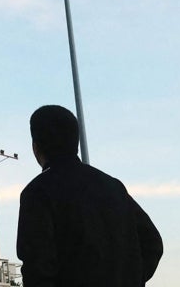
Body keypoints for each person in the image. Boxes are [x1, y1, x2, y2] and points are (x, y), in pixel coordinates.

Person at [16, 104, 163, 287]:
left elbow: (37, 267)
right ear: (75, 142)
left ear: (35, 147)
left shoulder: (38, 192)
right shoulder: (113, 187)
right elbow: (152, 243)